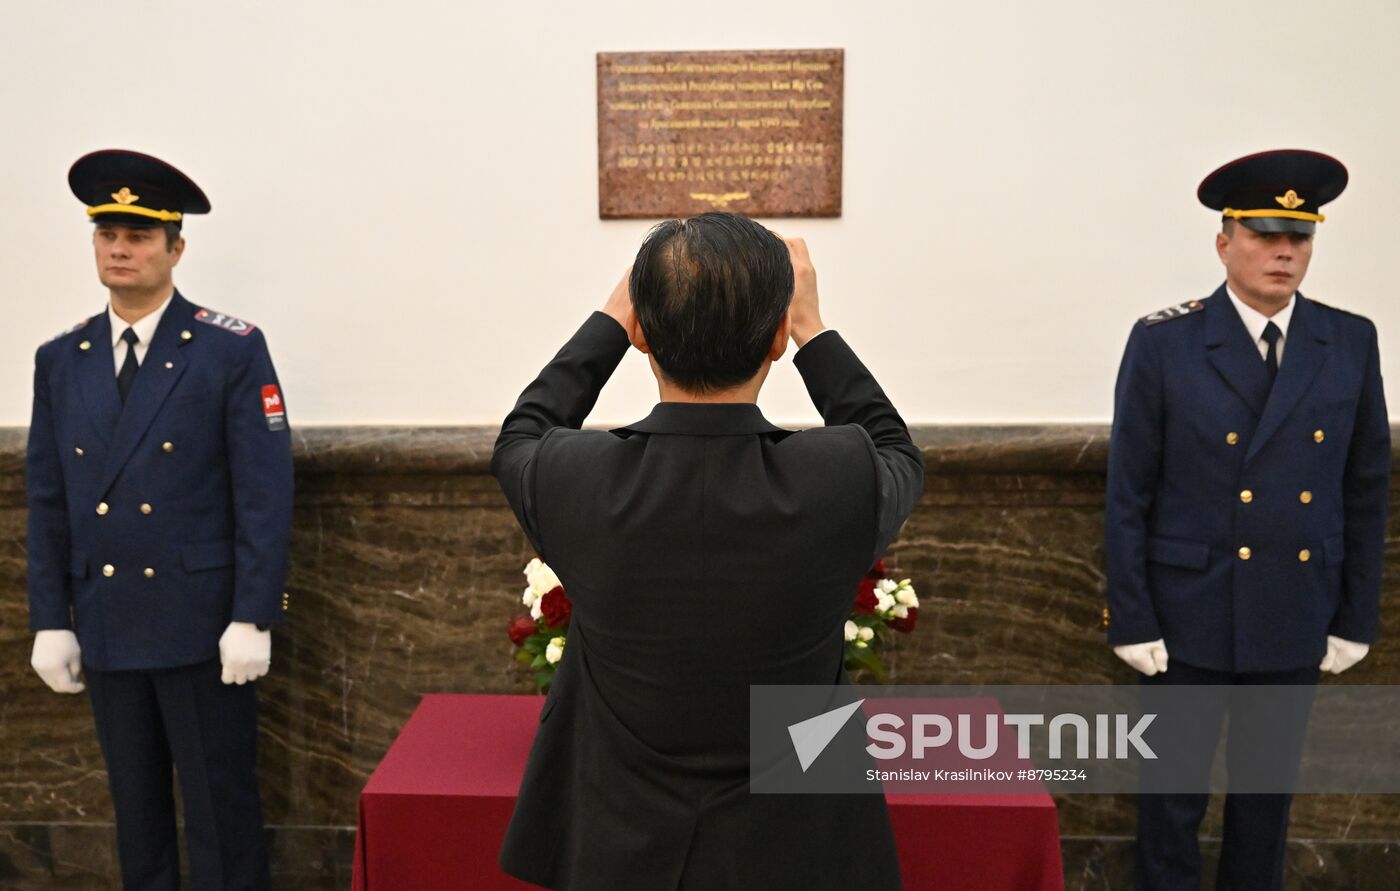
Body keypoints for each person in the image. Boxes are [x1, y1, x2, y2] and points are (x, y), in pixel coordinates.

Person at [491, 212, 924, 890]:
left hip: (618, 845)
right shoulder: (837, 478)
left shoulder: (574, 478)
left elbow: (522, 433)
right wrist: (816, 330)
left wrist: (610, 318)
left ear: (641, 333)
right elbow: (895, 447)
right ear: (778, 335)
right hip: (797, 850)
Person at [1104, 149, 1390, 890]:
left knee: (1266, 804)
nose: (1285, 252)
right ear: (1224, 239)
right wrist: (1132, 616)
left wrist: (1356, 614)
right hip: (1186, 612)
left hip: (1295, 607)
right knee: (1170, 802)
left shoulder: (1348, 340)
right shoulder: (1166, 341)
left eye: (1300, 236)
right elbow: (1129, 490)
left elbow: (1365, 488)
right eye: (1265, 234)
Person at [26, 149, 294, 890]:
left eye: (139, 235)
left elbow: (264, 494)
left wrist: (253, 614)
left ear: (176, 247)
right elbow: (47, 498)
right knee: (135, 813)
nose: (119, 247)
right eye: (107, 231)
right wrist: (51, 615)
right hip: (109, 620)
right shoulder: (62, 359)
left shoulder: (227, 349)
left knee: (220, 809)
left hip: (203, 625)